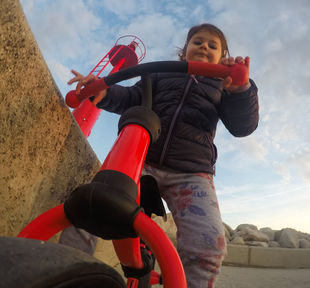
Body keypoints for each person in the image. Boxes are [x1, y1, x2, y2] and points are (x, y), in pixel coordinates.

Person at [61, 23, 259, 288]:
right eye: (197, 42)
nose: (204, 47)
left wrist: (241, 90)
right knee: (88, 207)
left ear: (223, 56)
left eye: (213, 46)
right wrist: (105, 91)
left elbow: (243, 126)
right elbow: (131, 96)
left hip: (191, 171)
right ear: (184, 50)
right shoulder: (161, 74)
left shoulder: (224, 84)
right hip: (141, 157)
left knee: (209, 243)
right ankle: (68, 273)